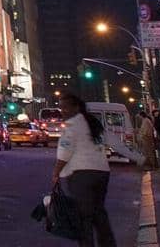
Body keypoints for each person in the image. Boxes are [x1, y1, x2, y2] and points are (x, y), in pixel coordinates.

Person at [52, 93, 117, 247]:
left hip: (81, 175)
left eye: (65, 107)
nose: (62, 111)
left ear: (76, 107)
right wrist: (139, 158)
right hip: (102, 172)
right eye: (61, 108)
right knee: (98, 212)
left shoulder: (72, 125)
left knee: (82, 217)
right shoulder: (92, 122)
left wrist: (56, 173)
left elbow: (65, 152)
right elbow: (112, 141)